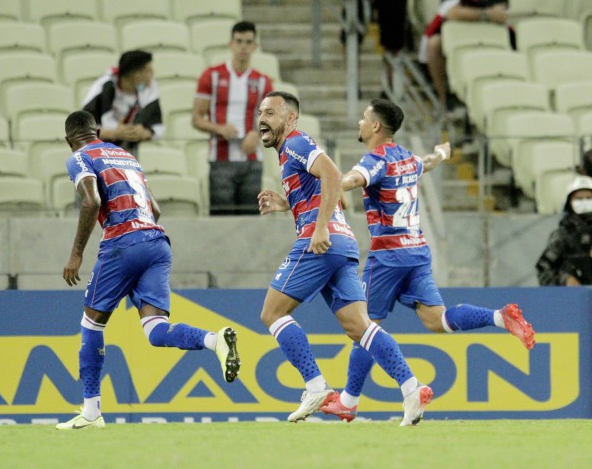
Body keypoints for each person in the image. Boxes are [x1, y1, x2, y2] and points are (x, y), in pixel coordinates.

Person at [318, 99, 535, 422]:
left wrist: (332, 185)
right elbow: (428, 162)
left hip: (388, 255)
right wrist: (443, 154)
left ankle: (353, 399)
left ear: (376, 126)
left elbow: (352, 179)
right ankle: (500, 317)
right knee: (438, 320)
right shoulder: (407, 158)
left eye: (364, 119)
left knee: (364, 328)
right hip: (417, 252)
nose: (360, 124)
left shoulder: (375, 160)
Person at [55, 111, 240, 430]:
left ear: (70, 140)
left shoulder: (80, 157)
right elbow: (154, 208)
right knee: (155, 330)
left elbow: (91, 201)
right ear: (98, 131)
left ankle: (90, 412)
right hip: (157, 241)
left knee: (92, 323)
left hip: (123, 243)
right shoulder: (125, 156)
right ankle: (215, 341)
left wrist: (76, 254)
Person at [256, 91, 432, 426]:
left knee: (271, 312)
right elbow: (338, 198)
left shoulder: (295, 142)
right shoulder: (289, 152)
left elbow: (334, 176)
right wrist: (287, 203)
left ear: (290, 118)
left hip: (319, 242)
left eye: (271, 112)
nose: (262, 118)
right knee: (360, 327)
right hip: (343, 244)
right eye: (260, 112)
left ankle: (315, 386)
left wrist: (319, 227)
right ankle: (412, 389)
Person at [193, 21, 273, 215]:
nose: (243, 47)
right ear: (231, 44)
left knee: (249, 223)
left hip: (252, 161)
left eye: (248, 42)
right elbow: (196, 118)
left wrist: (257, 134)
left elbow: (272, 120)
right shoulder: (211, 76)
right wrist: (219, 129)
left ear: (254, 46)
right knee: (221, 222)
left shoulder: (263, 81)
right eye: (239, 41)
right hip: (220, 160)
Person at [419, 0, 509, 111]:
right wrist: (486, 14)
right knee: (434, 44)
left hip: (485, 31)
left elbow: (501, 14)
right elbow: (451, 12)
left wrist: (467, 13)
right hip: (456, 30)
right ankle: (444, 98)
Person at [81, 50, 164, 156]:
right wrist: (114, 133)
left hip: (127, 156)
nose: (152, 74)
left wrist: (146, 133)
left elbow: (158, 126)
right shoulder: (104, 87)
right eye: (148, 71)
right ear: (136, 76)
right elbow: (82, 131)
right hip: (98, 156)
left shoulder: (149, 88)